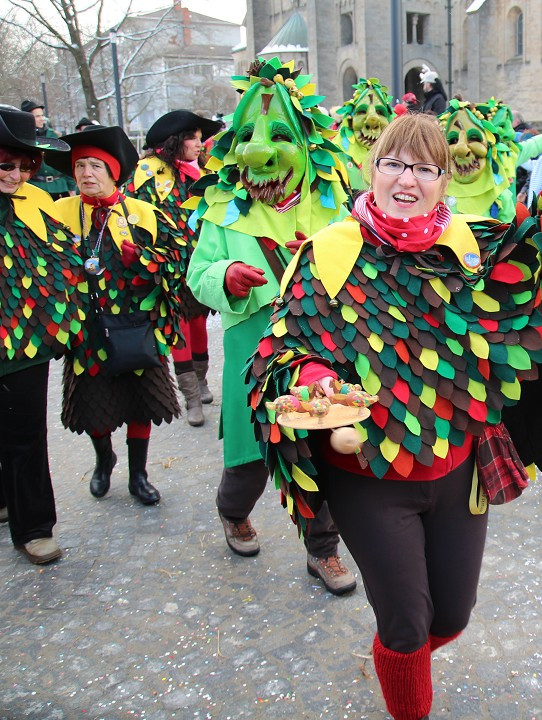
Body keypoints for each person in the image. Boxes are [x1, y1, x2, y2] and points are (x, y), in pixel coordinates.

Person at [247, 85, 542, 719]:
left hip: (458, 470)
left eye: (424, 167)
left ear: (443, 182)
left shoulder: (470, 251)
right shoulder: (328, 252)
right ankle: (406, 687)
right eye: (394, 162)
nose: (407, 177)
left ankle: (398, 661)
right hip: (369, 478)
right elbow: (278, 354)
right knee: (408, 624)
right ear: (372, 169)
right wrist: (312, 382)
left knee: (453, 614)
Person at [187, 58, 357, 596]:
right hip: (249, 342)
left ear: (307, 144)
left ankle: (323, 551)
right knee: (251, 455)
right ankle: (232, 512)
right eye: (248, 138)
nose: (260, 152)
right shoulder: (221, 210)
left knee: (319, 446)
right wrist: (227, 275)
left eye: (280, 135)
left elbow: (358, 267)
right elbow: (198, 273)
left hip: (316, 344)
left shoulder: (331, 206)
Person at [0, 104, 82, 564]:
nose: (17, 175)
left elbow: (61, 262)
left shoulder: (36, 201)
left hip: (25, 345)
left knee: (26, 437)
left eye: (26, 166)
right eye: (7, 166)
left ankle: (35, 527)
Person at [49, 125, 185, 507]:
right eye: (80, 167)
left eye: (95, 166)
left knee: (141, 400)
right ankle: (103, 458)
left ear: (112, 172)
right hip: (86, 329)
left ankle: (138, 474)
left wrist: (142, 260)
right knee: (96, 404)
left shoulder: (146, 214)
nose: (87, 174)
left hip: (138, 326)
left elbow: (178, 266)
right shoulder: (56, 213)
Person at [128, 110, 223, 427]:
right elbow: (134, 217)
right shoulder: (148, 173)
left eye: (200, 137)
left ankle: (202, 380)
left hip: (200, 261)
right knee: (179, 328)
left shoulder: (203, 170)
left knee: (198, 325)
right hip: (166, 267)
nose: (200, 144)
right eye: (193, 138)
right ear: (175, 142)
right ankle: (191, 398)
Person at [440, 97, 542, 221]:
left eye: (473, 138)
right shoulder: (438, 190)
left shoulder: (507, 155)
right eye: (453, 140)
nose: (460, 148)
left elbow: (533, 145)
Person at [334, 78, 396, 191]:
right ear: (350, 120)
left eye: (380, 112)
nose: (372, 120)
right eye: (362, 112)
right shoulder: (334, 157)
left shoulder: (403, 157)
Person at [20, 99, 76, 200]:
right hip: (36, 188)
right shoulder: (23, 139)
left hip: (59, 188)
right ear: (27, 118)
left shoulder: (54, 136)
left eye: (42, 115)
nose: (42, 119)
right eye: (37, 116)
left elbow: (66, 161)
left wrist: (71, 186)